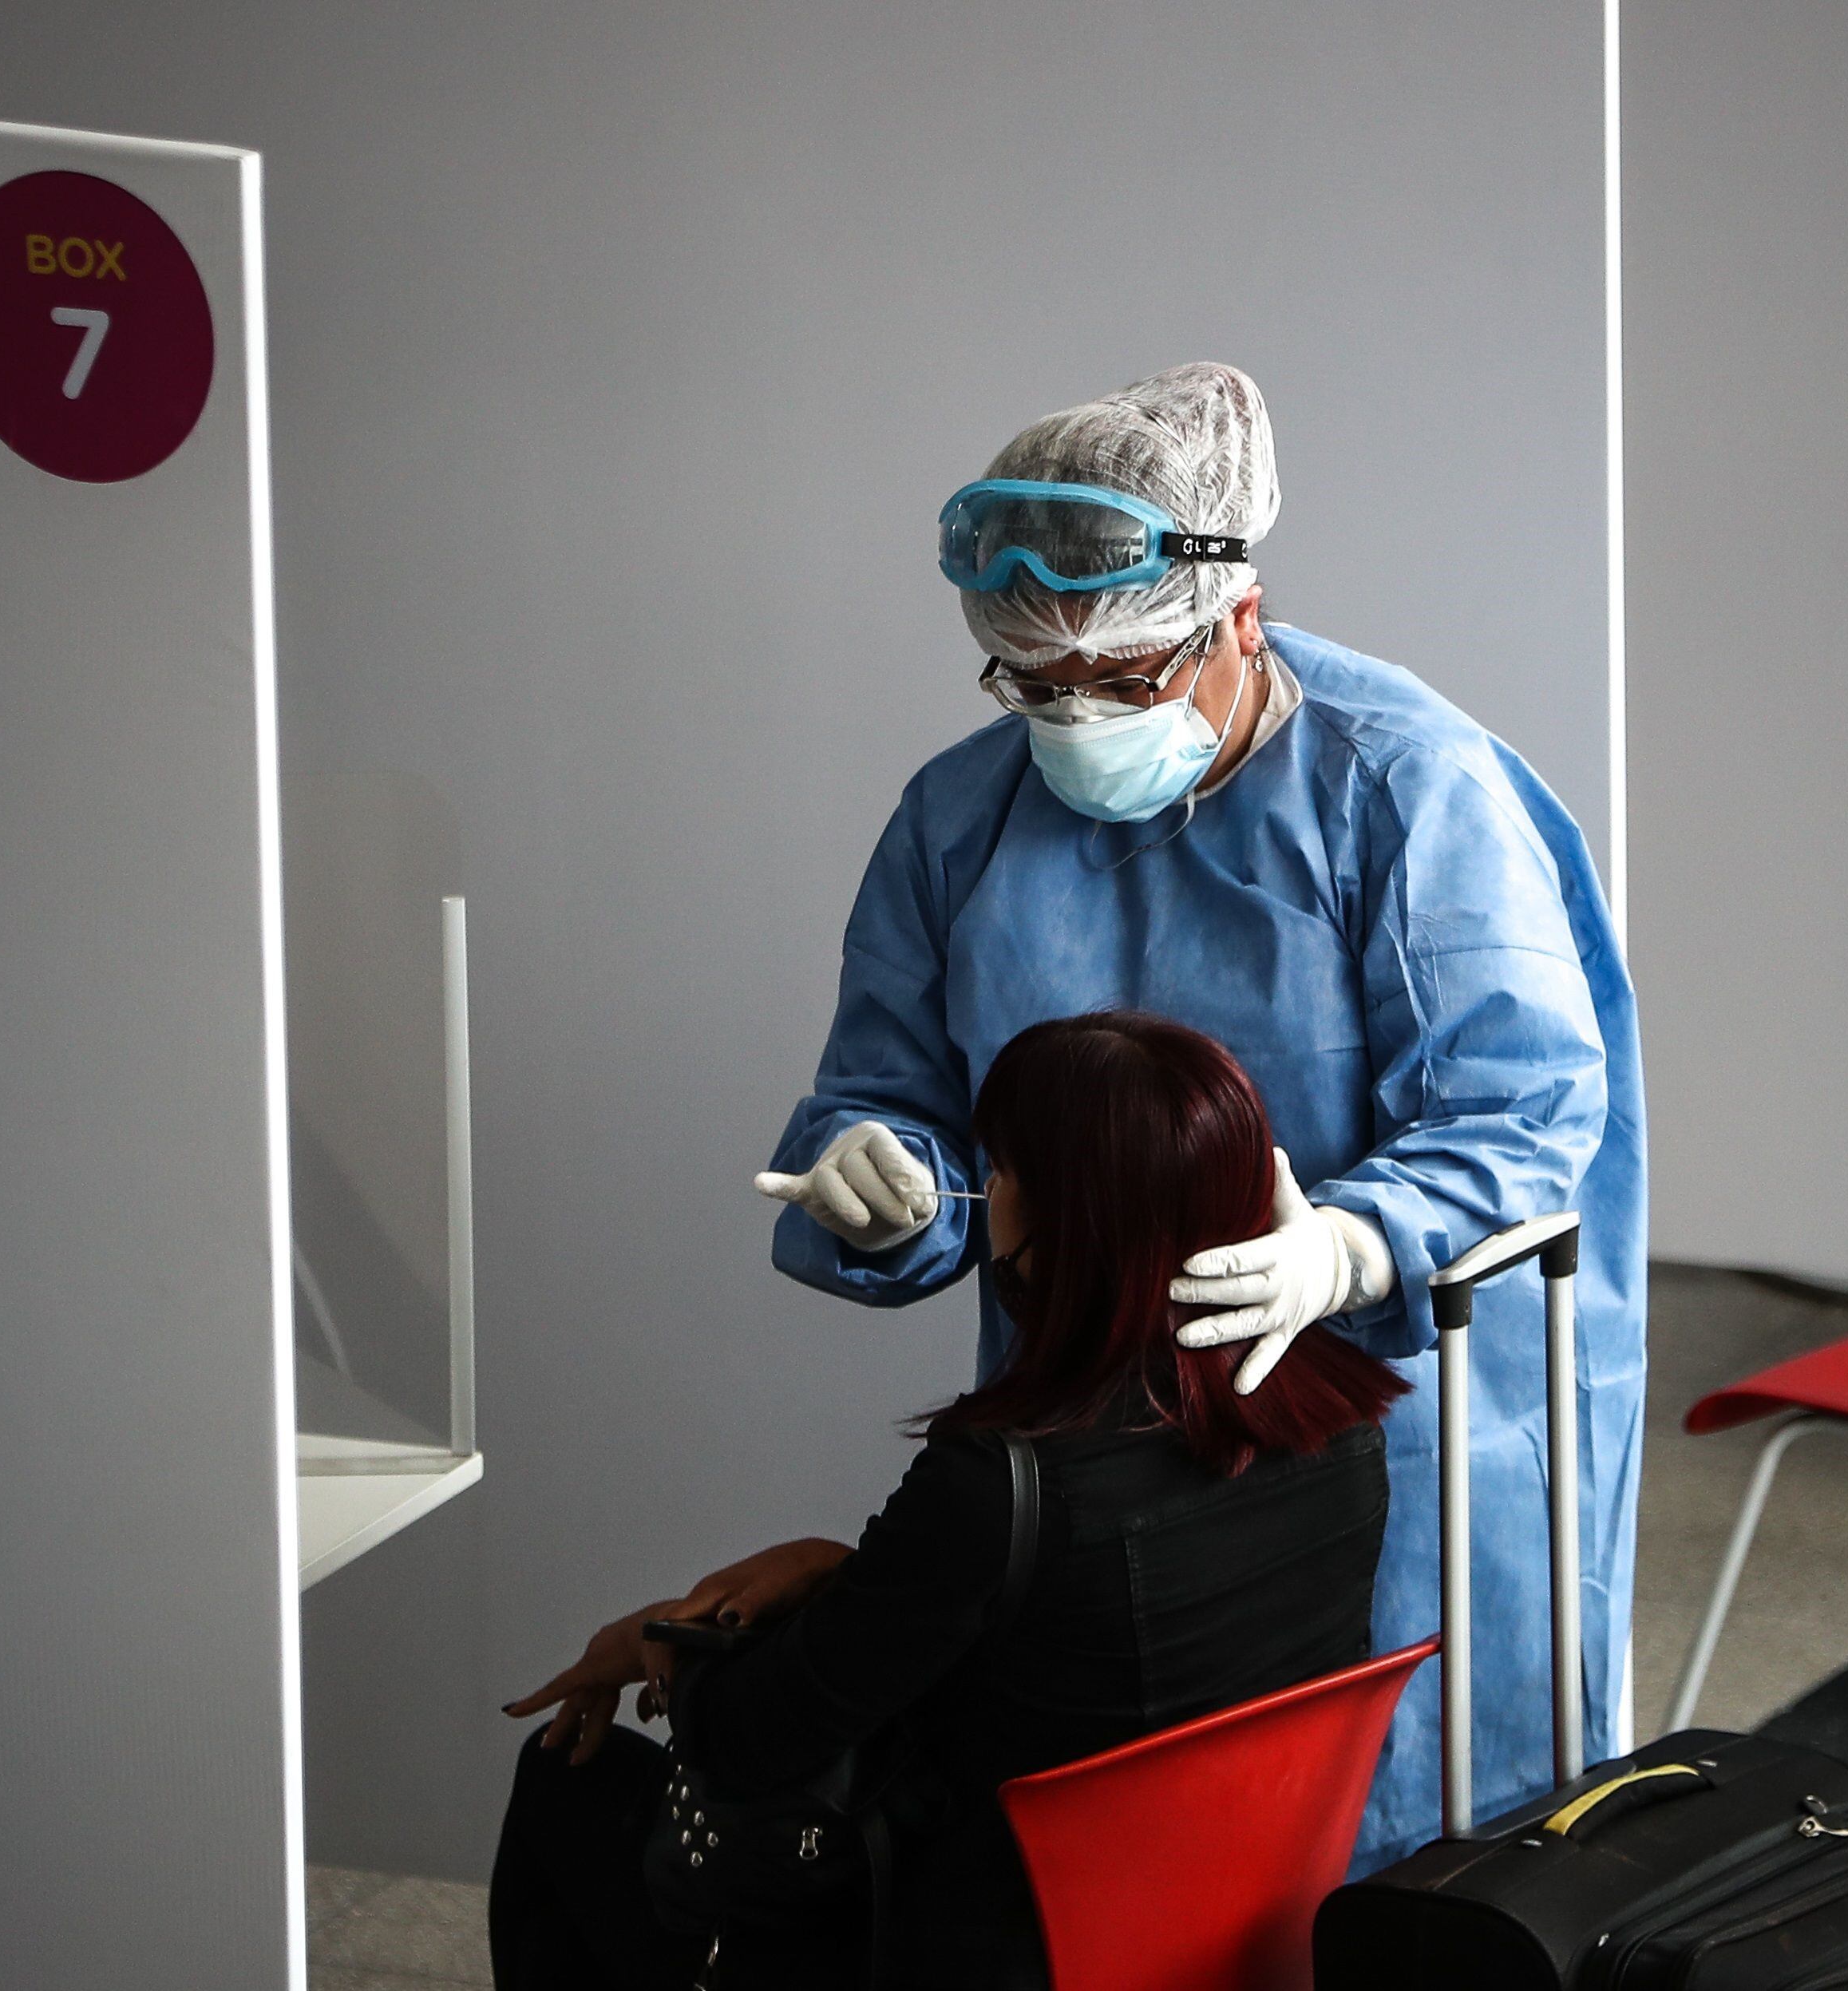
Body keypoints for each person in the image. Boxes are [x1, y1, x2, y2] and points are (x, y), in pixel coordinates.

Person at [754, 362, 1645, 1868]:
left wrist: (1354, 1248)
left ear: (1239, 621)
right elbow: (888, 1094)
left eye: (1126, 680)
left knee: (1407, 1855)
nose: (1079, 717)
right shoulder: (960, 819)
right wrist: (885, 1179)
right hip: (1100, 1445)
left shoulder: (1403, 787)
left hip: (1388, 1415)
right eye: (1039, 687)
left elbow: (1524, 1116)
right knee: (1128, 1858)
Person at [495, 1012, 1403, 1989]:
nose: (985, 1196)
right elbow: (1058, 1638)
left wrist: (659, 1639)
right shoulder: (1344, 1436)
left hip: (973, 1949)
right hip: (1211, 1953)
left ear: (1071, 1222)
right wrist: (844, 1569)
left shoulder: (1003, 1484)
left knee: (564, 1790)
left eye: (1002, 1171)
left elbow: (749, 1737)